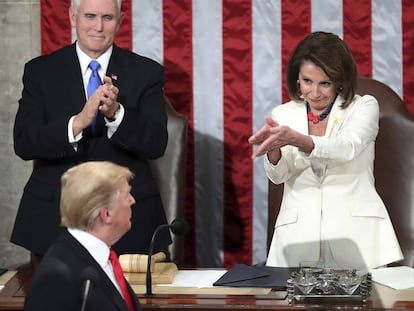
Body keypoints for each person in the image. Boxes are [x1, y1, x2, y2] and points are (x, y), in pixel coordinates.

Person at [11, 0, 171, 261]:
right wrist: (77, 123)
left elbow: (157, 144)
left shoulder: (146, 72)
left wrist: (117, 114)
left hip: (129, 221)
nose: (98, 26)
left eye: (107, 18)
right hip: (54, 218)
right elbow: (24, 142)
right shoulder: (40, 71)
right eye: (90, 16)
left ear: (120, 21)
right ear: (73, 17)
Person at [248, 31, 403, 270]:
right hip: (297, 239)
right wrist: (274, 152)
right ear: (296, 79)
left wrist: (299, 140)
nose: (315, 93)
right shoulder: (283, 114)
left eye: (325, 83)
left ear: (340, 80)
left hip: (358, 238)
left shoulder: (363, 106)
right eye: (307, 81)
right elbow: (278, 176)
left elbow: (346, 148)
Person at [24, 161, 141, 311]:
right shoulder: (56, 277)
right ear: (106, 214)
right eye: (126, 196)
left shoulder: (103, 258)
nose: (132, 200)